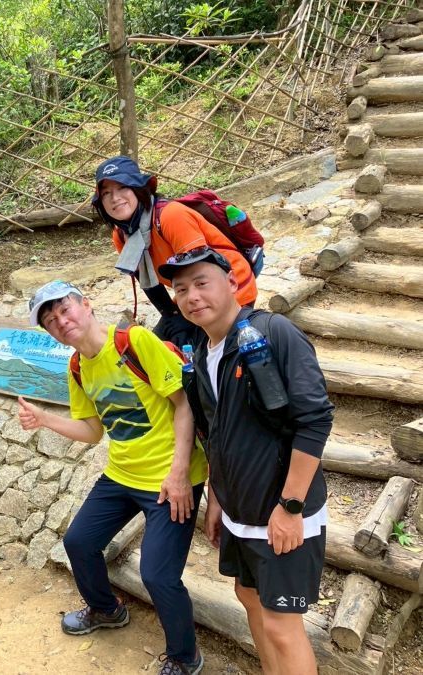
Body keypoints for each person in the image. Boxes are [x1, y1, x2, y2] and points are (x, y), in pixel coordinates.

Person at [18, 280, 208, 675]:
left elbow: (185, 402)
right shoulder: (77, 367)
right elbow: (93, 431)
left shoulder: (134, 341)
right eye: (51, 321)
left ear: (86, 305)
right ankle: (106, 610)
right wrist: (45, 419)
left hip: (170, 476)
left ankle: (184, 656)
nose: (61, 321)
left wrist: (179, 473)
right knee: (79, 542)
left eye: (65, 310)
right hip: (122, 474)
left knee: (157, 574)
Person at [163, 247, 333, 675]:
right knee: (249, 598)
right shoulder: (202, 353)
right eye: (180, 289)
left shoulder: (274, 333)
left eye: (201, 283)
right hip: (241, 511)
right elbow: (216, 432)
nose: (191, 296)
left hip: (282, 509)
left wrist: (291, 506)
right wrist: (218, 499)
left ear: (233, 282)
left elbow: (315, 420)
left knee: (281, 625)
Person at [92, 155, 258, 348]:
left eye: (123, 187)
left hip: (229, 288)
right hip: (191, 292)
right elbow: (148, 282)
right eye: (106, 193)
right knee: (154, 348)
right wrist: (171, 315)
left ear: (138, 188)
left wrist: (186, 322)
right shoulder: (122, 235)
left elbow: (199, 273)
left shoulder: (171, 216)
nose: (115, 198)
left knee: (198, 351)